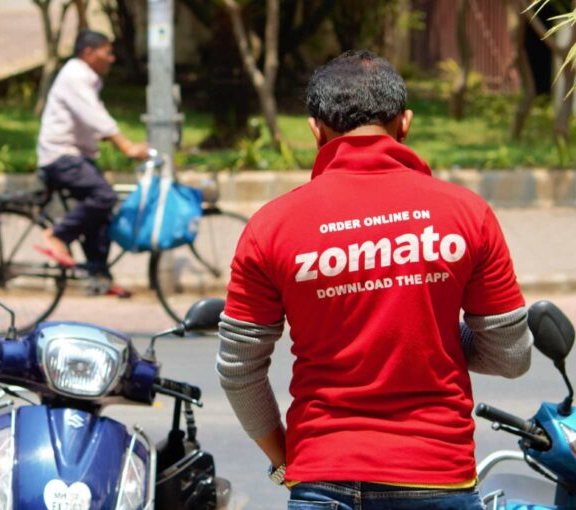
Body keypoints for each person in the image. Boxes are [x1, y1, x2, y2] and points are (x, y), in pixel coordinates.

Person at [216, 50, 533, 510]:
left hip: (323, 475)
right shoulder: (467, 215)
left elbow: (238, 371)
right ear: (405, 123)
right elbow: (511, 356)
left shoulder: (271, 227)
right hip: (437, 474)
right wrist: (431, 329)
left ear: (316, 130)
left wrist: (285, 461)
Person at [36, 29, 148, 296]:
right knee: (104, 196)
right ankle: (57, 235)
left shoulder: (85, 77)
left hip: (75, 156)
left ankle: (99, 276)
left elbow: (92, 121)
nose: (111, 58)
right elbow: (95, 116)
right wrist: (126, 146)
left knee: (102, 214)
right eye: (107, 52)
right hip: (60, 156)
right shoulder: (75, 75)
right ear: (88, 52)